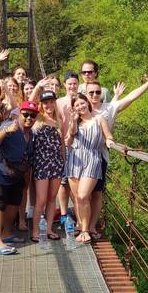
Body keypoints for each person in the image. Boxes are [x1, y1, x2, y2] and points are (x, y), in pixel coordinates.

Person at [86, 67, 148, 238]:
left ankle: (91, 227)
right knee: (81, 194)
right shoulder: (80, 108)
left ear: (101, 94)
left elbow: (131, 97)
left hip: (100, 156)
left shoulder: (109, 108)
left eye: (98, 92)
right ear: (86, 94)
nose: (95, 95)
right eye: (91, 92)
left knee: (96, 193)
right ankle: (81, 224)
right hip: (81, 157)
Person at [0, 100, 37, 255]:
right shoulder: (9, 125)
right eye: (26, 114)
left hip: (15, 174)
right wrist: (7, 131)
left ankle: (7, 233)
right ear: (19, 113)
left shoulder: (30, 133)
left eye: (33, 116)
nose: (29, 118)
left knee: (14, 203)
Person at [65, 93, 114, 244]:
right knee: (77, 198)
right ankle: (82, 226)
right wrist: (73, 122)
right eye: (77, 105)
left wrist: (110, 142)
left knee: (83, 196)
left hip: (92, 160)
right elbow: (68, 141)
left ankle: (85, 230)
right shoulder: (75, 123)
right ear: (74, 108)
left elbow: (108, 136)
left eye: (82, 103)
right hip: (74, 160)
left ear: (87, 102)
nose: (80, 107)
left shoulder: (98, 119)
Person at [31, 91, 64, 242]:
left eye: (51, 102)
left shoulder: (59, 120)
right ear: (42, 104)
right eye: (46, 102)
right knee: (41, 199)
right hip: (42, 163)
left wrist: (63, 162)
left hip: (56, 163)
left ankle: (49, 229)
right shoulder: (37, 118)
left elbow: (62, 144)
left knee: (52, 199)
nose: (49, 105)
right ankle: (36, 230)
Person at [56, 71, 80, 226]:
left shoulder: (82, 101)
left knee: (77, 183)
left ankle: (79, 215)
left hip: (79, 147)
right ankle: (64, 213)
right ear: (65, 85)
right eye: (69, 83)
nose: (72, 86)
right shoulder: (58, 102)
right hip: (63, 146)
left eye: (74, 84)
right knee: (63, 182)